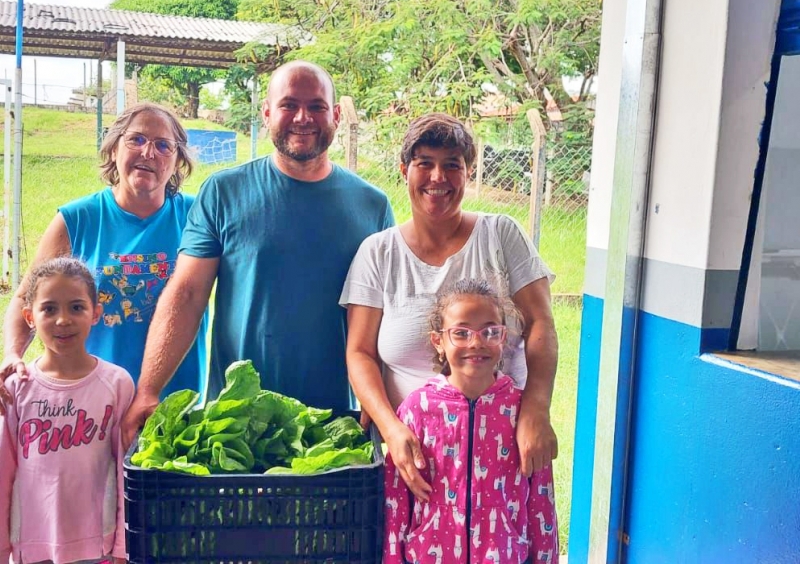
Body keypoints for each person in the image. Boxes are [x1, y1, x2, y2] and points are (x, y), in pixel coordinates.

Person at [120, 60, 394, 448]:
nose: (303, 117)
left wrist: (380, 400)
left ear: (335, 115)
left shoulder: (372, 205)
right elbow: (187, 294)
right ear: (267, 113)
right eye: (288, 105)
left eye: (316, 106)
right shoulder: (224, 193)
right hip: (235, 426)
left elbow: (385, 314)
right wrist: (149, 389)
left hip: (333, 427)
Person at [341, 112, 558, 500]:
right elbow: (359, 352)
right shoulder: (378, 253)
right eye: (425, 163)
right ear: (404, 170)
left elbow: (541, 322)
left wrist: (536, 410)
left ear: (469, 172)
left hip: (504, 446)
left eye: (452, 165)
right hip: (415, 457)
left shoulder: (501, 234)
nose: (438, 178)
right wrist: (390, 428)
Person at [0, 102, 208, 412]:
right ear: (113, 149)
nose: (148, 153)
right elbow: (26, 298)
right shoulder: (77, 219)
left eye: (163, 145)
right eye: (136, 139)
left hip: (175, 404)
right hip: (91, 405)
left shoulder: (198, 216)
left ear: (178, 161)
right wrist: (12, 354)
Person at [383, 279, 559, 564]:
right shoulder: (417, 409)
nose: (476, 342)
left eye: (490, 331)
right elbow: (396, 500)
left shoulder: (522, 411)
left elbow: (542, 500)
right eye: (461, 333)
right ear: (438, 341)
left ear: (503, 338)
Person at [0, 257, 133, 564]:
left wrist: (123, 547)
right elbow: (4, 471)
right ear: (29, 316)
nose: (63, 320)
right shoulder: (17, 386)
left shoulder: (117, 383)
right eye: (49, 309)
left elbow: (125, 472)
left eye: (76, 307)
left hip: (97, 546)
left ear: (96, 313)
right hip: (33, 546)